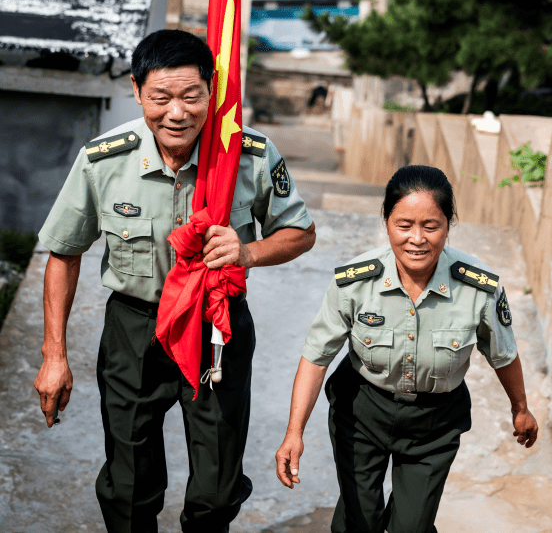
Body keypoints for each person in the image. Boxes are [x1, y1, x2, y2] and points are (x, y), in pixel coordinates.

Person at [34, 29, 315, 533]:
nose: (177, 113)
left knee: (216, 487)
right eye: (160, 97)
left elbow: (300, 233)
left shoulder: (246, 155)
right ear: (137, 91)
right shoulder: (104, 159)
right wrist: (54, 355)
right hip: (134, 329)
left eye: (192, 96)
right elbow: (64, 253)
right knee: (128, 485)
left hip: (217, 328)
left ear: (213, 91)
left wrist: (247, 251)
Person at [275, 165, 538, 533]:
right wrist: (294, 432)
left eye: (431, 226)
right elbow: (316, 356)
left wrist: (521, 408)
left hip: (435, 424)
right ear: (386, 221)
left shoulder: (479, 287)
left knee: (411, 527)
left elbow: (503, 353)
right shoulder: (355, 282)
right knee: (358, 521)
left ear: (449, 224)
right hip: (362, 410)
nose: (417, 239)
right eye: (404, 225)